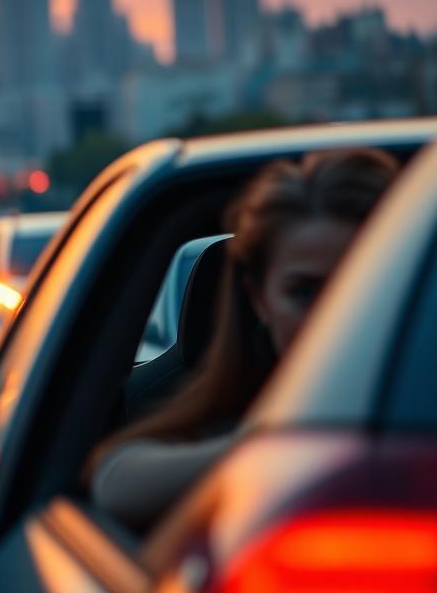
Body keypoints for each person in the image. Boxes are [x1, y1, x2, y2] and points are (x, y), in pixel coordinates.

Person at [89, 147, 399, 531]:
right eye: (304, 293)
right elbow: (117, 483)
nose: (331, 315)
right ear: (259, 299)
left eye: (361, 285)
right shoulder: (214, 433)